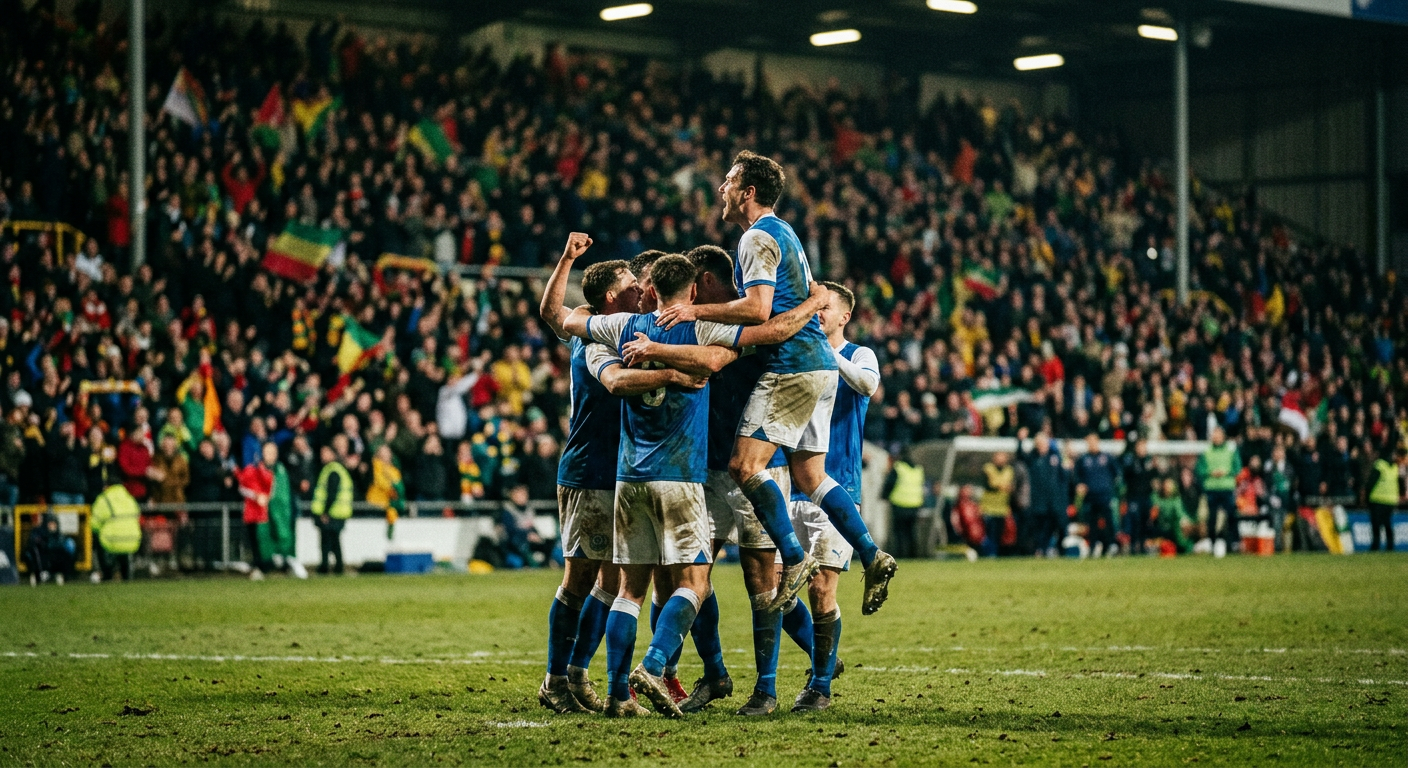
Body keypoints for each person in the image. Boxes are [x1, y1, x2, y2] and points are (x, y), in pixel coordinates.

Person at [560, 253, 811, 718]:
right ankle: (658, 666)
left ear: (653, 286)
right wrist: (813, 301)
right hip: (684, 478)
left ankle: (618, 694)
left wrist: (647, 346)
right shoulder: (702, 328)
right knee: (695, 584)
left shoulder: (621, 330)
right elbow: (745, 344)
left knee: (628, 592)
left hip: (628, 477)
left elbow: (566, 319)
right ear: (695, 290)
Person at [653, 152, 895, 615]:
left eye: (728, 180)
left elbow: (760, 308)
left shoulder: (756, 237)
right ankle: (871, 553)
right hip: (821, 365)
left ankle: (795, 555)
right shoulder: (785, 233)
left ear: (747, 192)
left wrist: (696, 311)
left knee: (745, 466)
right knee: (810, 475)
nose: (721, 188)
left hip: (791, 365)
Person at [536, 236, 701, 715]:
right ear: (611, 297)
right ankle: (555, 679)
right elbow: (606, 372)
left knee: (611, 586)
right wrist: (672, 375)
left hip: (622, 475)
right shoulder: (595, 338)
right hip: (590, 473)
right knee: (578, 581)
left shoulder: (628, 329)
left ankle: (582, 676)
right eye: (633, 286)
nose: (641, 292)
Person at [782, 280, 878, 712]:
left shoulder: (859, 354)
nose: (817, 313)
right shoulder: (797, 352)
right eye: (813, 307)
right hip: (786, 484)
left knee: (822, 588)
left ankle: (819, 686)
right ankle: (827, 658)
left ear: (844, 316)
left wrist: (825, 352)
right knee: (775, 592)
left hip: (836, 485)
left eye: (826, 308)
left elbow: (867, 385)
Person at [1018, 429, 1069, 557]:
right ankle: (1041, 550)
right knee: (1040, 527)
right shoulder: (1033, 458)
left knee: (1059, 525)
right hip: (1039, 500)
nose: (1041, 446)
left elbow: (1064, 477)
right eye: (1038, 443)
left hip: (1055, 500)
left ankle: (1060, 548)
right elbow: (1021, 456)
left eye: (1043, 443)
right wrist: (1020, 441)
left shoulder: (1055, 456)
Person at [263, 442, 307, 579]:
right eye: (267, 452)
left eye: (273, 452)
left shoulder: (281, 469)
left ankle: (288, 561)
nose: (270, 455)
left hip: (283, 511)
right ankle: (264, 565)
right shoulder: (257, 469)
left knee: (286, 536)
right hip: (262, 511)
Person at [1197, 426, 1241, 557]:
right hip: (1212, 488)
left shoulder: (1231, 449)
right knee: (1212, 518)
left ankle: (1235, 543)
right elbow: (1199, 469)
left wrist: (1226, 472)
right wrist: (1210, 473)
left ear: (1223, 436)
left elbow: (1237, 467)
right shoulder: (1206, 451)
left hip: (1227, 487)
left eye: (1218, 434)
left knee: (1232, 516)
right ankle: (1212, 542)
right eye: (1214, 435)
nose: (1215, 437)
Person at [311, 445, 353, 575]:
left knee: (327, 541)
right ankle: (337, 566)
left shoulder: (332, 470)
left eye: (326, 452)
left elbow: (331, 493)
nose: (322, 456)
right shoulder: (337, 469)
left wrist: (325, 512)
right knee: (334, 541)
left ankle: (326, 566)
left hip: (333, 513)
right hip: (338, 512)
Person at [1075, 433, 1119, 557]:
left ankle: (1111, 545)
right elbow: (1077, 477)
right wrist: (1080, 485)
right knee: (1092, 524)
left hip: (1104, 496)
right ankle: (1093, 547)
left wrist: (1108, 485)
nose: (1091, 444)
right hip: (1090, 497)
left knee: (1108, 522)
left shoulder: (1107, 457)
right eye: (1089, 442)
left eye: (1093, 441)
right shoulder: (1083, 459)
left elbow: (1116, 474)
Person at [236, 446, 275, 580]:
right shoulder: (250, 471)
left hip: (261, 513)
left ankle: (263, 566)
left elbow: (269, 493)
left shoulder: (269, 474)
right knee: (253, 541)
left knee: (261, 540)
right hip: (251, 513)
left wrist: (263, 497)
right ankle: (257, 566)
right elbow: (242, 488)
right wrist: (255, 496)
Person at [90, 483, 142, 583]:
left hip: (111, 540)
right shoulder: (128, 497)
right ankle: (126, 577)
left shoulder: (103, 499)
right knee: (124, 555)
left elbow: (94, 524)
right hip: (132, 540)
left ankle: (107, 575)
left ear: (106, 486)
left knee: (102, 543)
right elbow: (137, 515)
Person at [883, 448, 926, 559]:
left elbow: (890, 484)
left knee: (900, 533)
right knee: (911, 532)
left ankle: (901, 555)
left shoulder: (898, 467)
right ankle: (914, 555)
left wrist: (884, 496)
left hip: (899, 504)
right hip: (915, 505)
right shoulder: (918, 469)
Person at [1121, 437, 1157, 556]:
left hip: (1146, 496)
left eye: (1144, 446)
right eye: (1140, 446)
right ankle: (1133, 546)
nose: (1142, 449)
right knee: (1134, 521)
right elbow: (1125, 476)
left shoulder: (1149, 461)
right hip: (1133, 497)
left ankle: (1142, 546)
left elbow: (1154, 478)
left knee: (1145, 522)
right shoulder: (1131, 461)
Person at [1366, 449, 1405, 552]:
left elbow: (1371, 482)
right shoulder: (1396, 467)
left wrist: (1366, 497)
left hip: (1377, 499)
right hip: (1390, 500)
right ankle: (1390, 546)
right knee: (1387, 524)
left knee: (1377, 524)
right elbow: (1401, 484)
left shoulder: (1379, 465)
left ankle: (1376, 546)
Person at [977, 452, 1014, 558]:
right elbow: (987, 485)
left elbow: (1011, 487)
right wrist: (1001, 487)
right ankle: (988, 554)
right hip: (988, 507)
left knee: (999, 533)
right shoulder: (988, 469)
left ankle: (996, 554)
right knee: (989, 533)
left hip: (1002, 508)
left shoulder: (1009, 470)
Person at [23, 513, 74, 586]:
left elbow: (60, 545)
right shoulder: (41, 533)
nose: (52, 526)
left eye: (53, 524)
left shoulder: (59, 535)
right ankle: (40, 574)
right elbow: (36, 544)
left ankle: (62, 575)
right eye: (50, 524)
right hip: (45, 557)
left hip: (54, 557)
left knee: (64, 553)